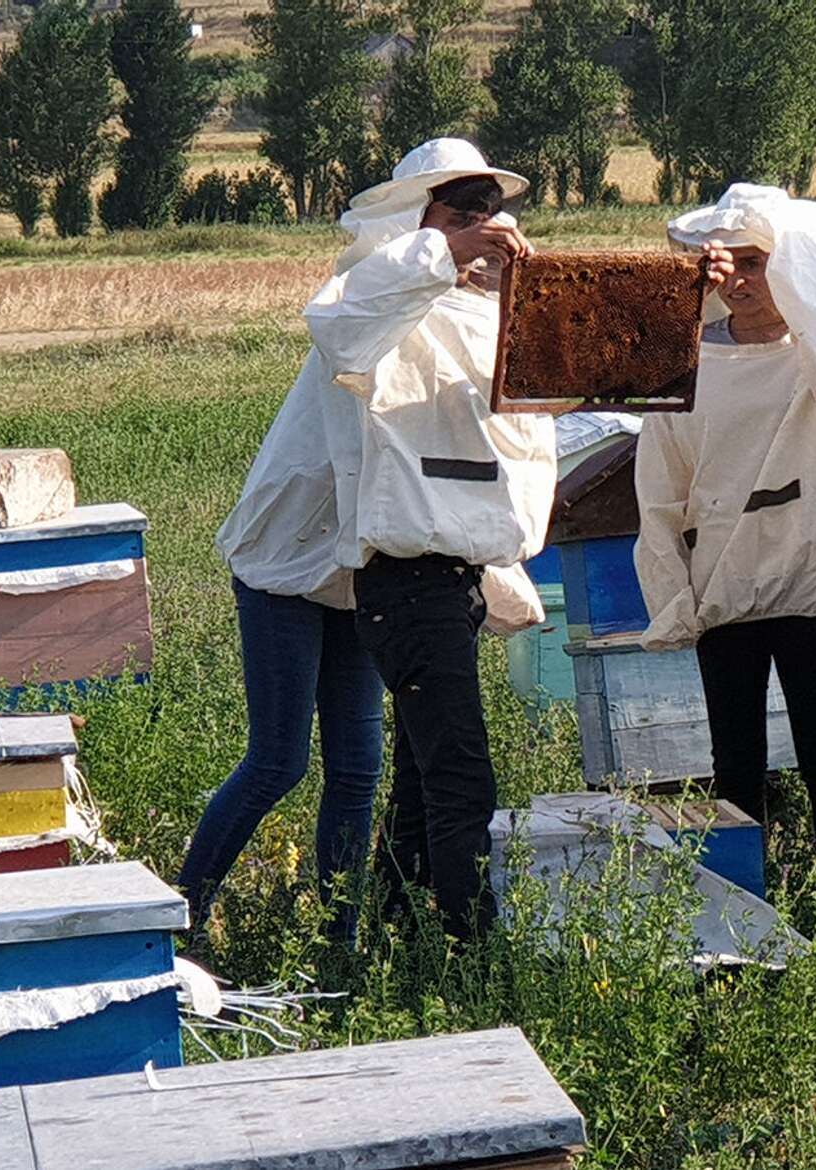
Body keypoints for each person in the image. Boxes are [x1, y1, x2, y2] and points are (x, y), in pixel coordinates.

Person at [308, 138, 554, 940]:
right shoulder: (371, 298)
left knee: (422, 780)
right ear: (416, 220)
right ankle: (466, 956)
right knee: (462, 780)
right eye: (461, 214)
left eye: (490, 213)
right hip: (405, 581)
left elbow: (577, 383)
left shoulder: (484, 314)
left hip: (457, 580)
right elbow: (346, 330)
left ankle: (395, 935)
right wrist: (441, 254)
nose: (484, 229)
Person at [635, 183, 816, 889]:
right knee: (735, 762)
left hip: (812, 577)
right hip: (726, 580)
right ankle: (739, 903)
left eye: (760, 264)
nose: (744, 283)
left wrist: (801, 267)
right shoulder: (687, 362)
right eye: (734, 267)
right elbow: (660, 491)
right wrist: (672, 595)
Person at [189, 211, 396, 943]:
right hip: (287, 560)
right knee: (279, 760)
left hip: (358, 564)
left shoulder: (458, 318)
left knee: (358, 767)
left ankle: (339, 941)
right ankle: (179, 916)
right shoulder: (364, 302)